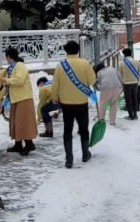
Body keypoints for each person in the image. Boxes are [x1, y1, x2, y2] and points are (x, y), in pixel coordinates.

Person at [51, 39, 97, 168]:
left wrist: (55, 97)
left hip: (66, 103)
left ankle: (69, 159)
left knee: (67, 130)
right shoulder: (85, 64)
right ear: (78, 50)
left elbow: (55, 84)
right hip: (81, 102)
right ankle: (85, 154)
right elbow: (92, 80)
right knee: (83, 129)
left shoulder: (61, 65)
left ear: (66, 51)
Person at [0, 47, 37, 155]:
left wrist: (7, 80)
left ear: (8, 56)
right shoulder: (11, 68)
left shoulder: (20, 66)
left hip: (24, 98)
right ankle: (18, 144)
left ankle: (29, 144)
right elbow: (8, 85)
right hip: (16, 98)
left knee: (23, 122)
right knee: (16, 122)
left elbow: (19, 81)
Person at [95, 61, 122, 127]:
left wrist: (96, 86)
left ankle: (101, 120)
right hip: (117, 87)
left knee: (102, 104)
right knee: (113, 105)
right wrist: (120, 85)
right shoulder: (112, 68)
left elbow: (99, 83)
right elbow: (120, 77)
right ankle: (112, 121)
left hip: (106, 88)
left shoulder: (99, 72)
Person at [118, 47, 140, 120]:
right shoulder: (136, 61)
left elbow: (120, 74)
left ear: (124, 54)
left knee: (128, 100)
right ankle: (135, 114)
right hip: (135, 83)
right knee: (135, 99)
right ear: (131, 53)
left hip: (126, 84)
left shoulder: (122, 62)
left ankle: (130, 115)